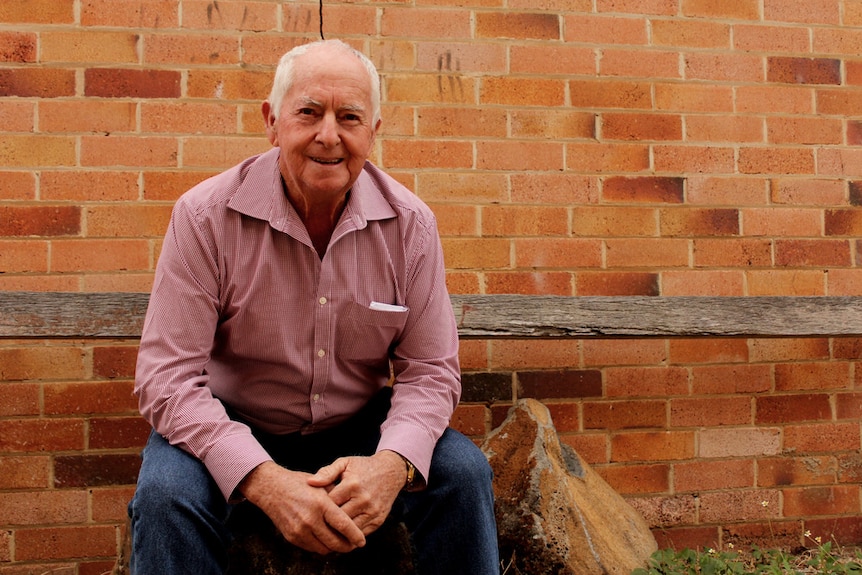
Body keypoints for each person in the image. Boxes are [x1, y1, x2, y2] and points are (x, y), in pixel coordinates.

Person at [128, 39, 500, 575]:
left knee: (462, 474)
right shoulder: (205, 216)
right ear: (273, 121)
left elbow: (431, 373)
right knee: (166, 495)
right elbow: (166, 378)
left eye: (349, 116)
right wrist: (261, 478)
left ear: (374, 129)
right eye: (309, 112)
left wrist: (391, 465)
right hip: (237, 420)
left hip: (359, 426)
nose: (329, 135)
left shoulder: (411, 225)